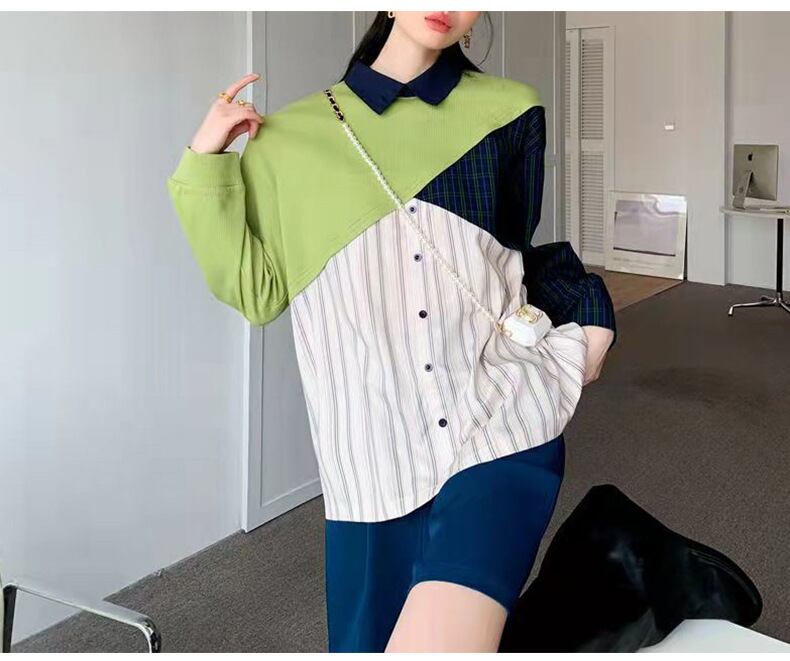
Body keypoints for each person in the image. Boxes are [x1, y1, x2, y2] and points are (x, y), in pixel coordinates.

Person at [167, 10, 616, 653]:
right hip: (371, 458)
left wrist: (592, 323)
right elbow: (258, 293)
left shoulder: (511, 110)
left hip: (499, 425)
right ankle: (623, 584)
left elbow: (510, 255)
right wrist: (205, 160)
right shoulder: (288, 138)